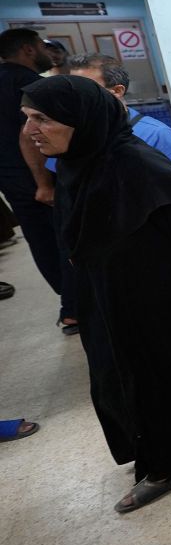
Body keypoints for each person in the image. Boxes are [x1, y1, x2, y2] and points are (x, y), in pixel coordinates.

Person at [20, 75, 171, 513]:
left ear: (82, 119)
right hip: (107, 294)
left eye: (42, 119)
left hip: (162, 290)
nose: (31, 131)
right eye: (28, 119)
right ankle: (167, 461)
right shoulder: (77, 164)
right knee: (128, 375)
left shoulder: (133, 161)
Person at [0, 29, 65, 327]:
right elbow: (29, 135)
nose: (45, 53)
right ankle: (76, 303)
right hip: (37, 177)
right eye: (41, 46)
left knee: (40, 240)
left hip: (10, 176)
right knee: (64, 239)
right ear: (28, 49)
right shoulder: (30, 85)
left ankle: (70, 304)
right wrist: (44, 183)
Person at [65, 54, 171, 172]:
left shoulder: (155, 134)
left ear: (117, 90)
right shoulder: (71, 132)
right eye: (73, 88)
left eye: (86, 88)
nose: (77, 96)